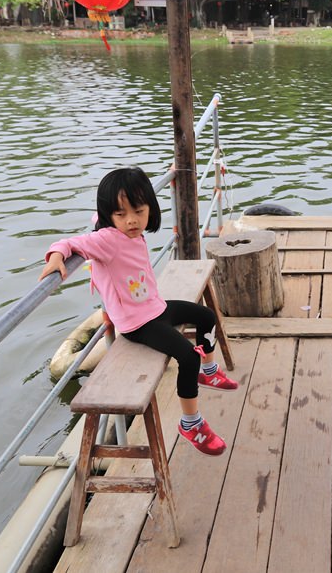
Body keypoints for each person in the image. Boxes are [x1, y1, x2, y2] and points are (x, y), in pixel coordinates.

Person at [40, 167, 237, 456]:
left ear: (150, 208)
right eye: (120, 214)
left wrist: (164, 173)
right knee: (185, 355)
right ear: (109, 215)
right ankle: (191, 424)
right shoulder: (107, 240)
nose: (131, 220)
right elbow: (70, 243)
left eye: (139, 211)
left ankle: (208, 370)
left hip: (154, 307)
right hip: (137, 324)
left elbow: (120, 207)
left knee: (205, 317)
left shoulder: (131, 229)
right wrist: (57, 256)